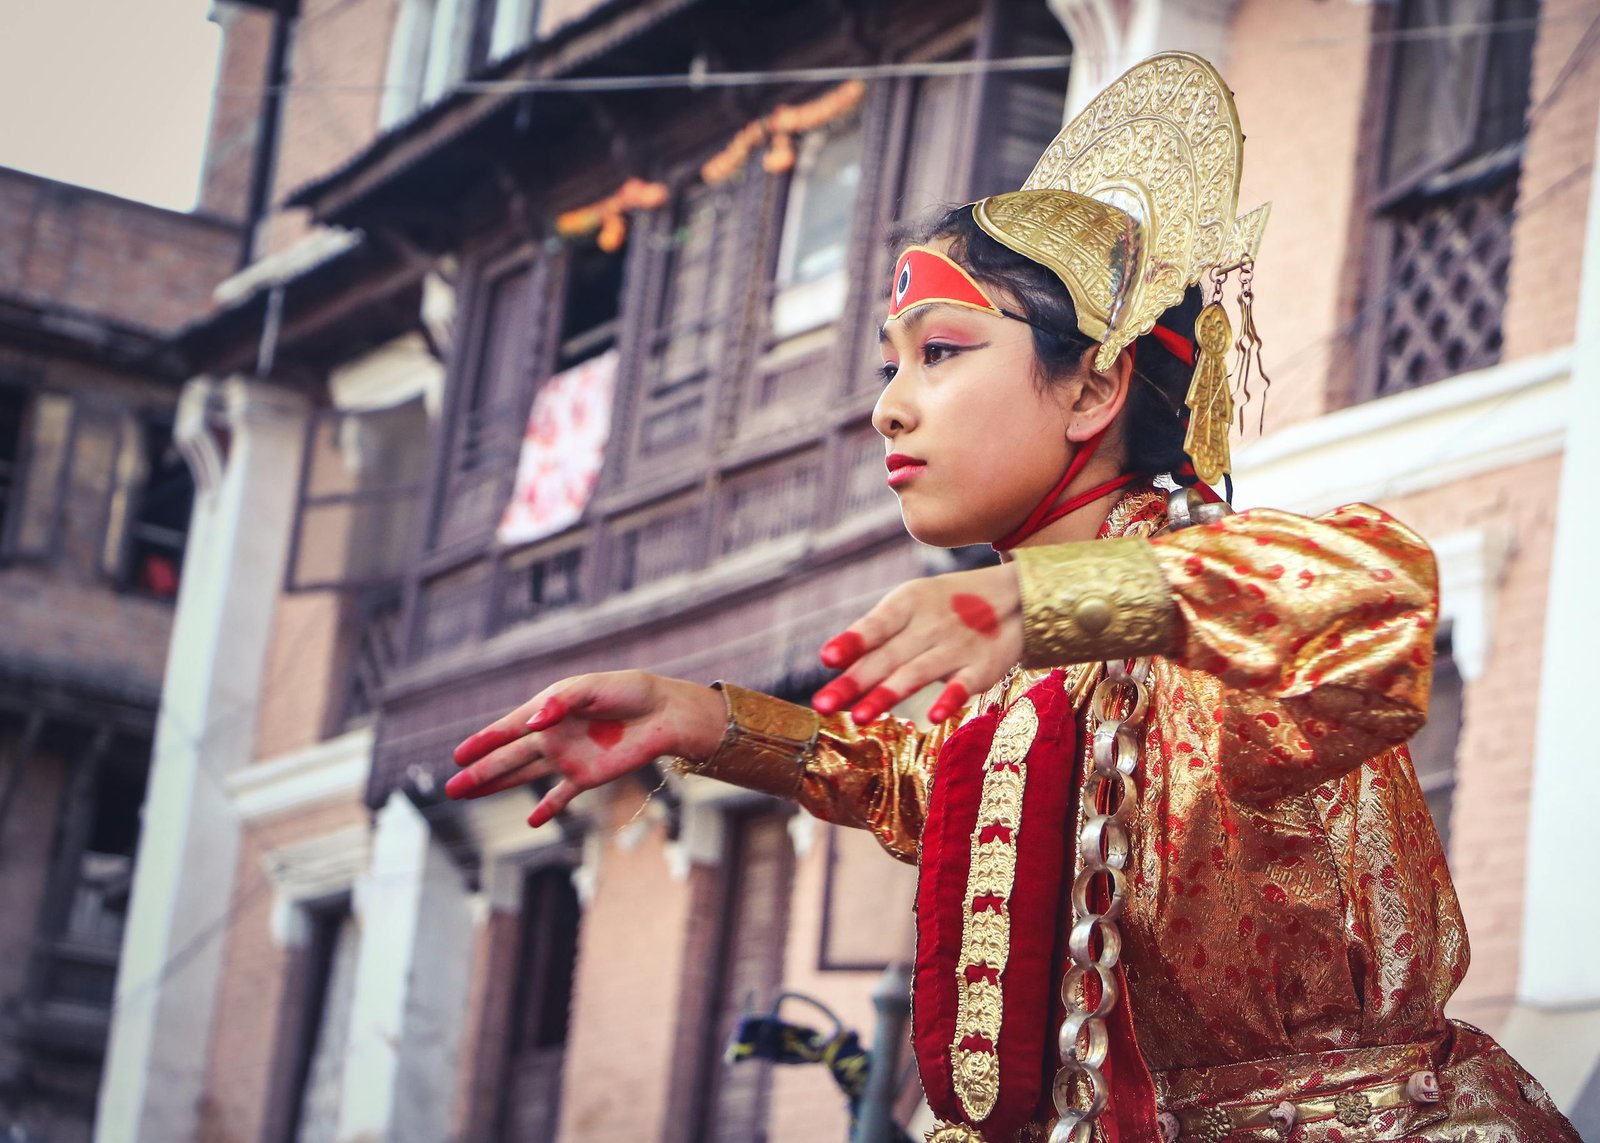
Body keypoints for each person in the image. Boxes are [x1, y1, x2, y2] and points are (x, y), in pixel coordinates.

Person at [445, 53, 1579, 1143]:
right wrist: (712, 724)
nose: (889, 409)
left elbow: (1378, 602)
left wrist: (1045, 603)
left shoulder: (1197, 614)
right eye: (888, 366)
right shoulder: (1041, 659)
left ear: (1092, 384)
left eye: (939, 352)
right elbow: (950, 800)